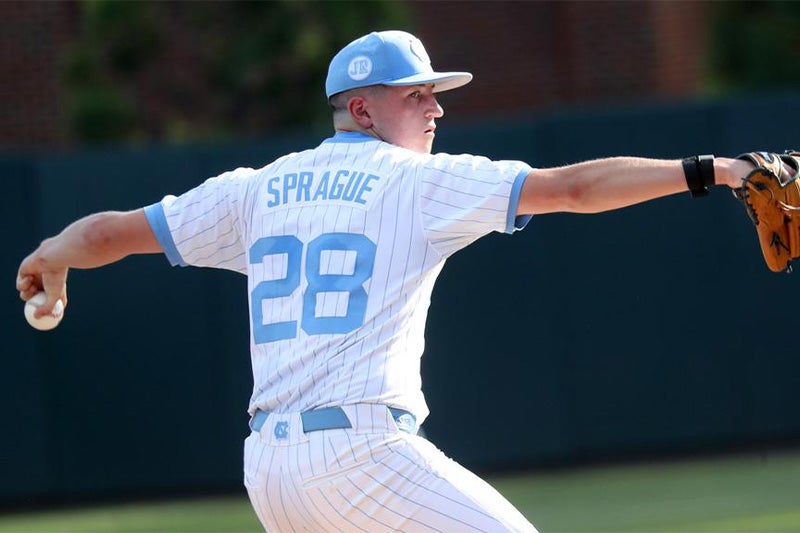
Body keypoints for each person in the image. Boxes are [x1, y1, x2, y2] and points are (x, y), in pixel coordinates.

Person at [17, 30, 759, 532]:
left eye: (435, 93)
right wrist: (714, 169)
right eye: (416, 95)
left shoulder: (254, 189)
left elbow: (110, 233)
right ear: (364, 109)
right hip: (360, 453)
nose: (436, 107)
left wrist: (50, 254)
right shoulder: (415, 182)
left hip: (270, 470)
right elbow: (571, 187)